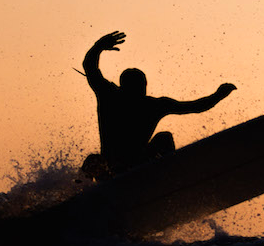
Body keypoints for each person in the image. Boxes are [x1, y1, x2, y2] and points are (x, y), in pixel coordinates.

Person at [81, 31, 236, 179]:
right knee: (93, 159)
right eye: (133, 87)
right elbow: (89, 66)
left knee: (164, 138)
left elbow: (195, 107)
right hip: (109, 170)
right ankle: (81, 192)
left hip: (138, 166)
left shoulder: (117, 96)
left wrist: (218, 95)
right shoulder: (112, 95)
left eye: (139, 86)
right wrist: (99, 45)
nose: (137, 91)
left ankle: (165, 178)